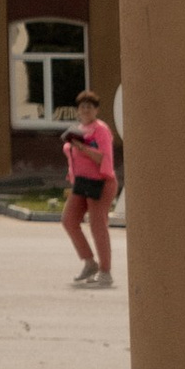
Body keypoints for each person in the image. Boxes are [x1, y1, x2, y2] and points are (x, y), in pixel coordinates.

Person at [62, 90, 118, 286]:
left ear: (96, 110)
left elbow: (104, 158)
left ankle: (105, 271)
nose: (85, 110)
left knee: (97, 225)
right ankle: (89, 262)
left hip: (101, 183)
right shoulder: (77, 129)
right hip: (82, 183)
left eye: (90, 106)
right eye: (82, 106)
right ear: (77, 110)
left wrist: (82, 147)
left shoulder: (100, 129)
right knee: (69, 220)